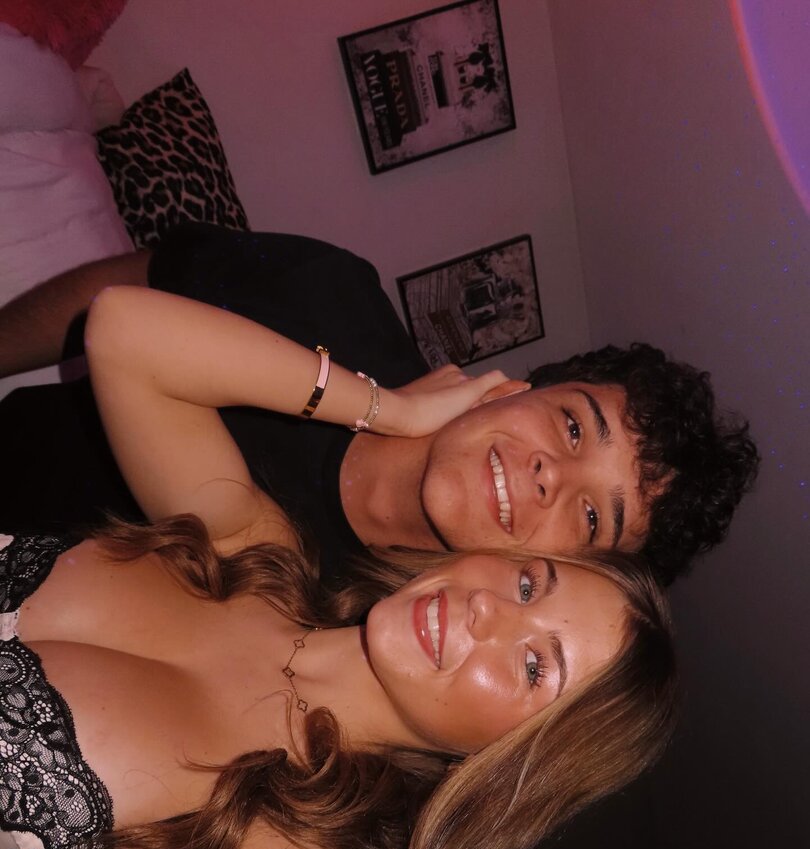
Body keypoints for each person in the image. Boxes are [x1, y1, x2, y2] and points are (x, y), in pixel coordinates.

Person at [0, 286, 677, 849]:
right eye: (528, 584)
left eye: (534, 666)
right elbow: (125, 331)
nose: (490, 611)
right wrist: (393, 410)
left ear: (511, 764)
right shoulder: (260, 555)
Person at [0, 226, 759, 583]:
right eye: (571, 427)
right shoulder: (327, 290)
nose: (550, 477)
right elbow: (120, 296)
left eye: (593, 517)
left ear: (564, 568)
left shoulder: (387, 641)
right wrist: (384, 409)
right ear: (515, 388)